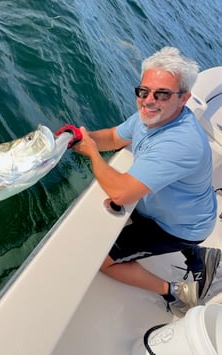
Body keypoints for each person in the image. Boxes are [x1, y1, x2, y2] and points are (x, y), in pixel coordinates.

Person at [71, 46, 220, 314]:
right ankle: (199, 258)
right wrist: (82, 139)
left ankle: (176, 292)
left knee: (102, 261)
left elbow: (120, 193)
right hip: (185, 207)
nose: (149, 100)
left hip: (177, 227)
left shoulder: (180, 142)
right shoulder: (150, 115)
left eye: (162, 94)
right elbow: (115, 137)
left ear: (184, 98)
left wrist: (92, 153)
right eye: (144, 91)